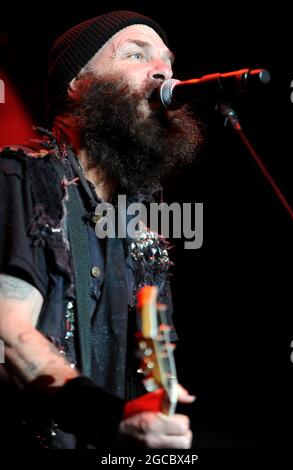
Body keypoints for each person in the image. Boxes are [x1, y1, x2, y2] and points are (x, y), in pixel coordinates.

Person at [0, 10, 202, 449]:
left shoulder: (143, 234)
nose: (164, 72)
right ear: (76, 83)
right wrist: (109, 419)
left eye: (168, 63)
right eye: (136, 54)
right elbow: (6, 337)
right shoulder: (21, 178)